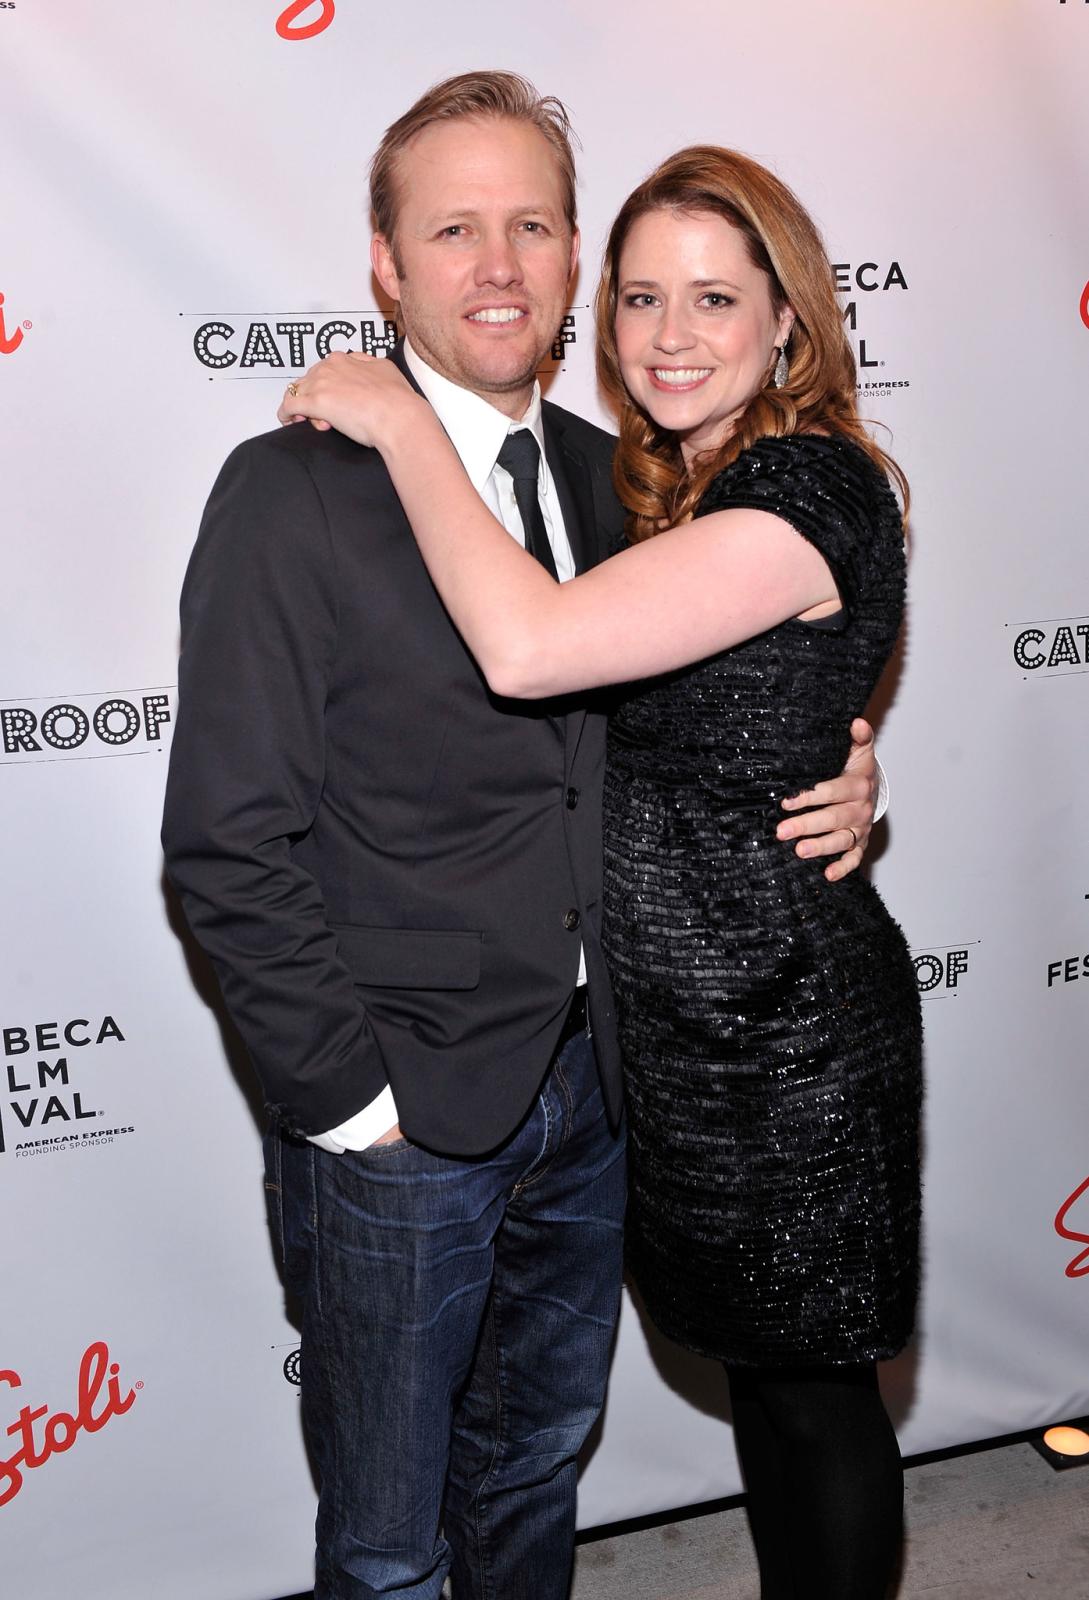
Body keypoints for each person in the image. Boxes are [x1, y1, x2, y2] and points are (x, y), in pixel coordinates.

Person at [163, 72, 880, 1600]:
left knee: (533, 1472)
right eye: (453, 229)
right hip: (405, 1114)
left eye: (534, 226)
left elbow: (705, 704)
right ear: (386, 263)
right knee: (387, 1543)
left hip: (603, 1090)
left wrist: (844, 753)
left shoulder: (622, 480)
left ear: (569, 259)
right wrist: (353, 1106)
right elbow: (226, 837)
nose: (498, 265)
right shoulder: (292, 492)